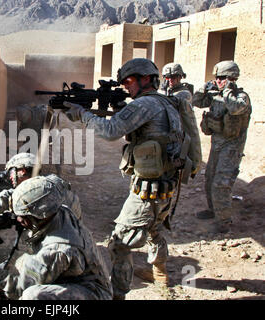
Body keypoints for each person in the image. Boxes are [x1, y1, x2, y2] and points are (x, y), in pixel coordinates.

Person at [64, 58, 185, 299]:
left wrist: (83, 115)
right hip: (167, 185)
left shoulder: (144, 104)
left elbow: (110, 131)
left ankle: (117, 295)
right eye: (123, 83)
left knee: (119, 243)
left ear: (146, 79)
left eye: (129, 81)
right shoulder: (165, 102)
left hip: (149, 189)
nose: (126, 86)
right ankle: (161, 274)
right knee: (154, 230)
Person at [0, 176, 113, 300]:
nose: (18, 219)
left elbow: (17, 287)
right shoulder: (51, 197)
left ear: (39, 217)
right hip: (70, 274)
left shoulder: (58, 250)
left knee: (32, 297)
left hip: (92, 292)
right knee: (14, 264)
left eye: (23, 217)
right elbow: (15, 196)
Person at [192, 60, 252, 234]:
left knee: (221, 183)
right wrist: (206, 87)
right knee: (210, 178)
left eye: (222, 78)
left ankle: (224, 221)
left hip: (232, 148)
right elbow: (196, 100)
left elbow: (234, 108)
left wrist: (227, 91)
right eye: (216, 78)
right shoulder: (215, 95)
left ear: (232, 78)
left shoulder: (241, 97)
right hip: (217, 145)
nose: (218, 81)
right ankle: (213, 210)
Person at [0, 152, 82, 233]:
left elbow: (4, 200)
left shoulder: (37, 193)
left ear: (22, 171)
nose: (9, 178)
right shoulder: (53, 183)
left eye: (11, 172)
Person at [160, 62, 202, 177]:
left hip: (178, 138)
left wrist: (162, 93)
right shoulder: (165, 91)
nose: (170, 80)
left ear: (180, 77)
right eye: (167, 77)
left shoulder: (184, 94)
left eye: (173, 77)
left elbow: (191, 127)